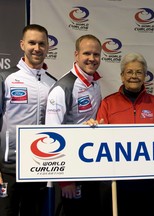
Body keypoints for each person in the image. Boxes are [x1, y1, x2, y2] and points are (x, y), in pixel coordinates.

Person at [85, 52, 154, 216]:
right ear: (122, 76)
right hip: (116, 181)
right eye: (129, 72)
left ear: (145, 76)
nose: (134, 76)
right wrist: (93, 129)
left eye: (139, 72)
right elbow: (99, 140)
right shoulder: (108, 103)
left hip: (147, 181)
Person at [0, 24, 57, 216]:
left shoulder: (53, 83)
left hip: (38, 166)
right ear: (22, 44)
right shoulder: (6, 78)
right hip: (9, 166)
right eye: (32, 43)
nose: (37, 48)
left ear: (48, 47)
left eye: (42, 43)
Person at [45, 34, 103, 216]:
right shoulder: (64, 87)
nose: (92, 59)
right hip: (71, 172)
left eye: (96, 54)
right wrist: (65, 180)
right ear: (76, 55)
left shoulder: (94, 83)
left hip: (91, 166)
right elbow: (51, 136)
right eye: (87, 53)